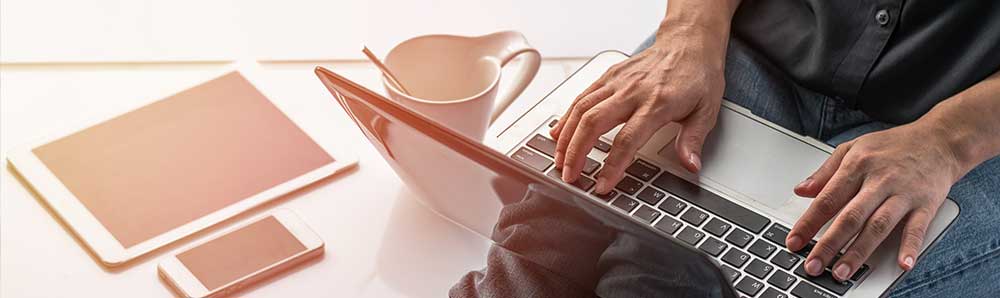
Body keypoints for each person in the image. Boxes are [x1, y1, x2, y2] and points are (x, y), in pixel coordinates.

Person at [550, 0, 1000, 297]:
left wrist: (947, 141)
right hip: (752, 45)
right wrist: (688, 28)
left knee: (804, 280)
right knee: (562, 218)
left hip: (967, 123)